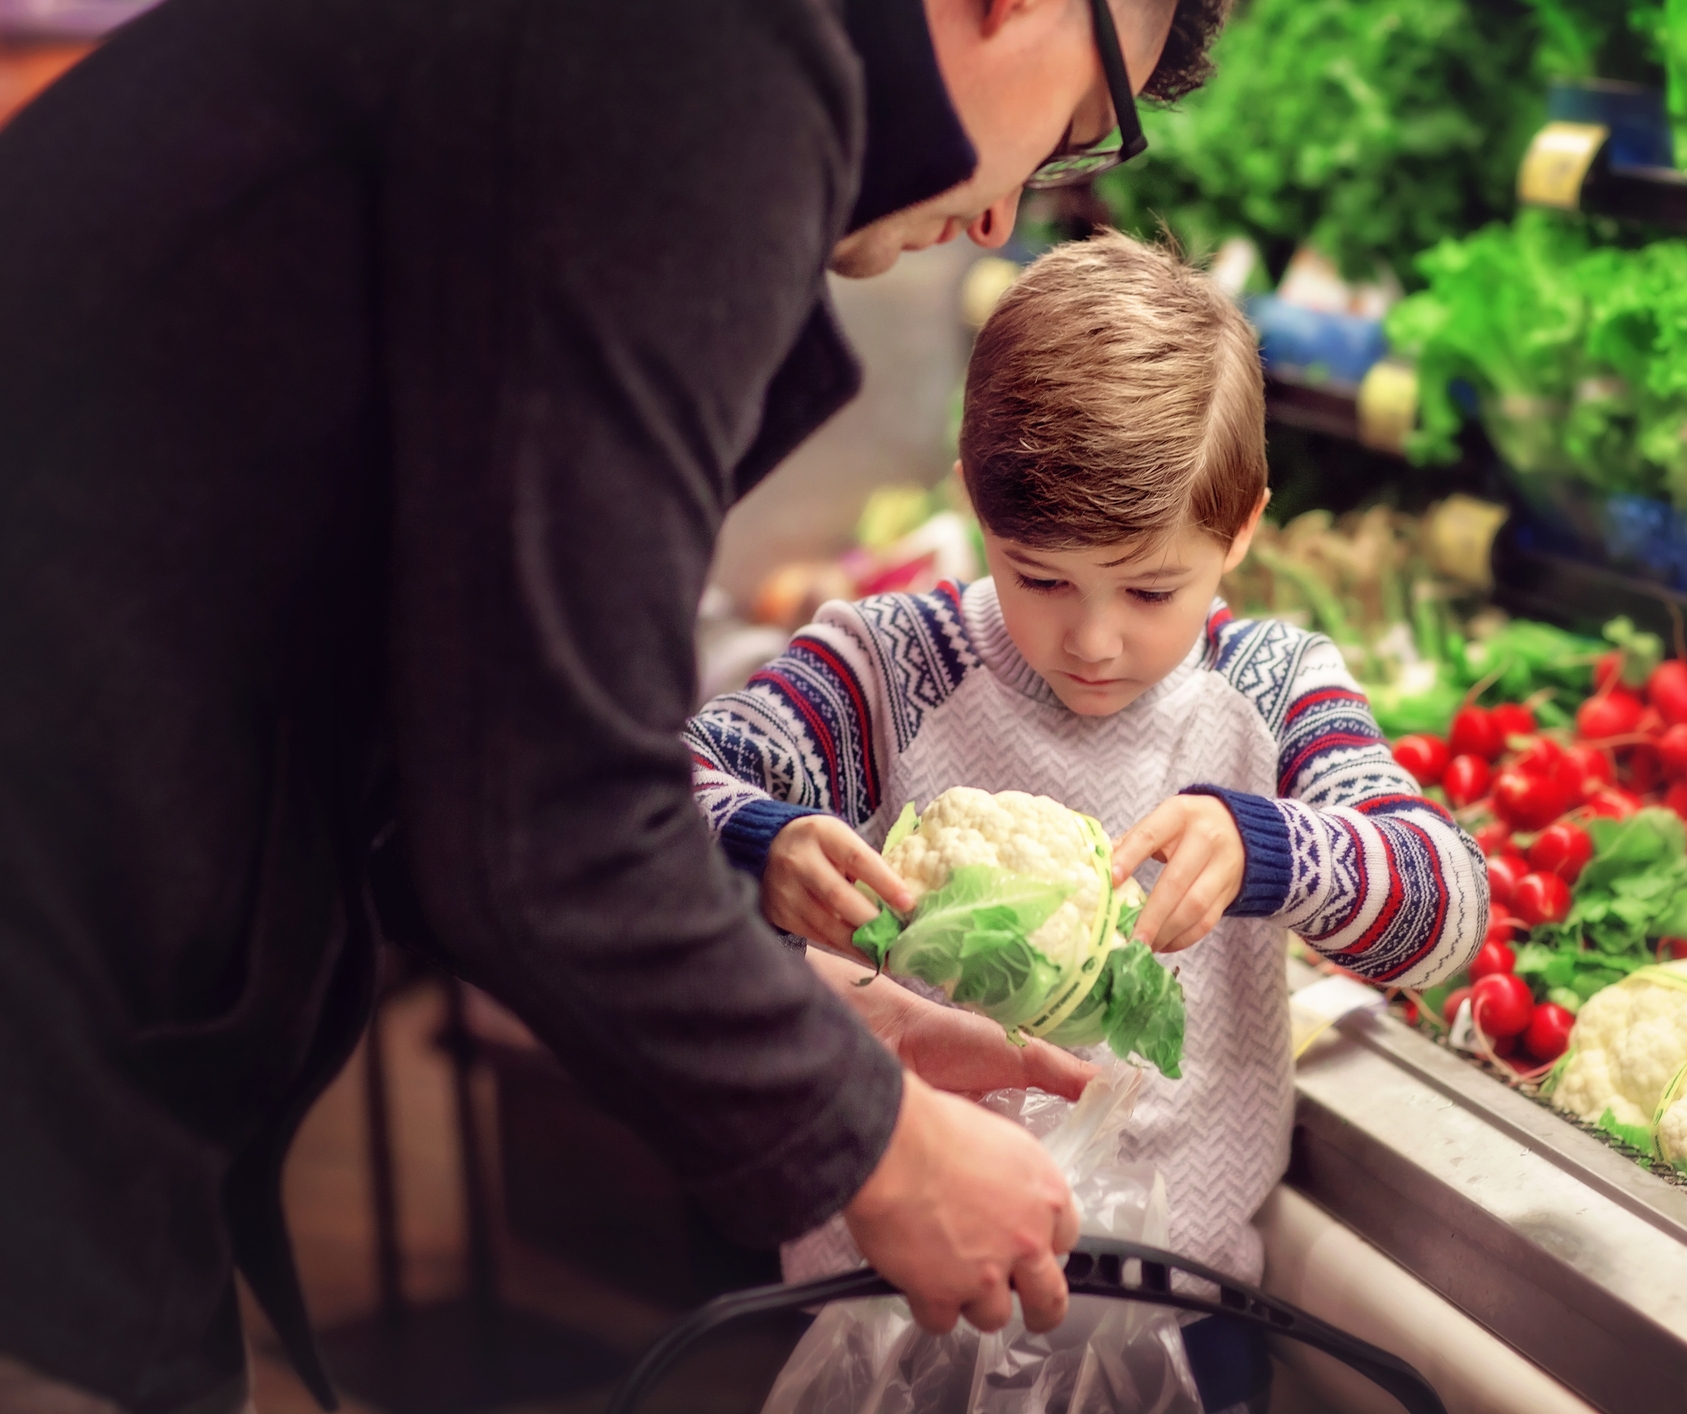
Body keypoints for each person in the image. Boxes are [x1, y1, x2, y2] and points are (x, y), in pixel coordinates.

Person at [0, 0, 1232, 1409]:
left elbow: (457, 732)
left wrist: (810, 1009)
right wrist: (875, 1140)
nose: (1001, 212)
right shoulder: (709, 48)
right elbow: (548, 812)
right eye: (1079, 134)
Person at [685, 232, 1490, 1414]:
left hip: (1182, 1321)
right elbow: (657, 796)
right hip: (890, 1313)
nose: (1094, 640)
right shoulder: (887, 667)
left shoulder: (1271, 688)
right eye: (1041, 578)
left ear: (1243, 530)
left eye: (1152, 589)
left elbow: (1447, 907)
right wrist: (761, 844)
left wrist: (1272, 845)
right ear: (975, 508)